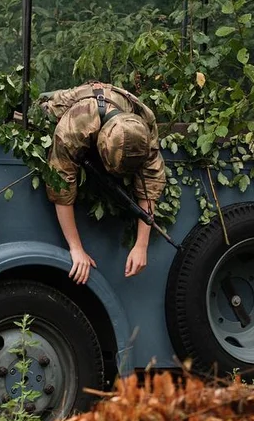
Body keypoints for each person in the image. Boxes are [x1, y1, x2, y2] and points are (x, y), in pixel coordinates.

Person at [38, 82, 167, 285]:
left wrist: (141, 245)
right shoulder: (76, 125)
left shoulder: (143, 121)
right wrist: (76, 248)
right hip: (60, 104)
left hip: (110, 102)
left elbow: (150, 182)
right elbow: (61, 184)